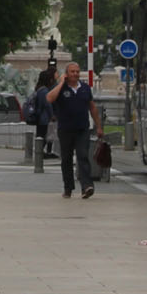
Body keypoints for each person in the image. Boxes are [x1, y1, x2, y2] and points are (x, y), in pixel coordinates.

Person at [45, 60, 103, 199]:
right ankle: (68, 188)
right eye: (72, 71)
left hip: (82, 128)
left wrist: (99, 126)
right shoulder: (61, 88)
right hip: (65, 129)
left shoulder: (85, 88)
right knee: (66, 159)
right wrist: (61, 83)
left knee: (83, 156)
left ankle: (86, 186)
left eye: (77, 71)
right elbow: (49, 98)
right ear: (66, 74)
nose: (75, 74)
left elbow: (92, 107)